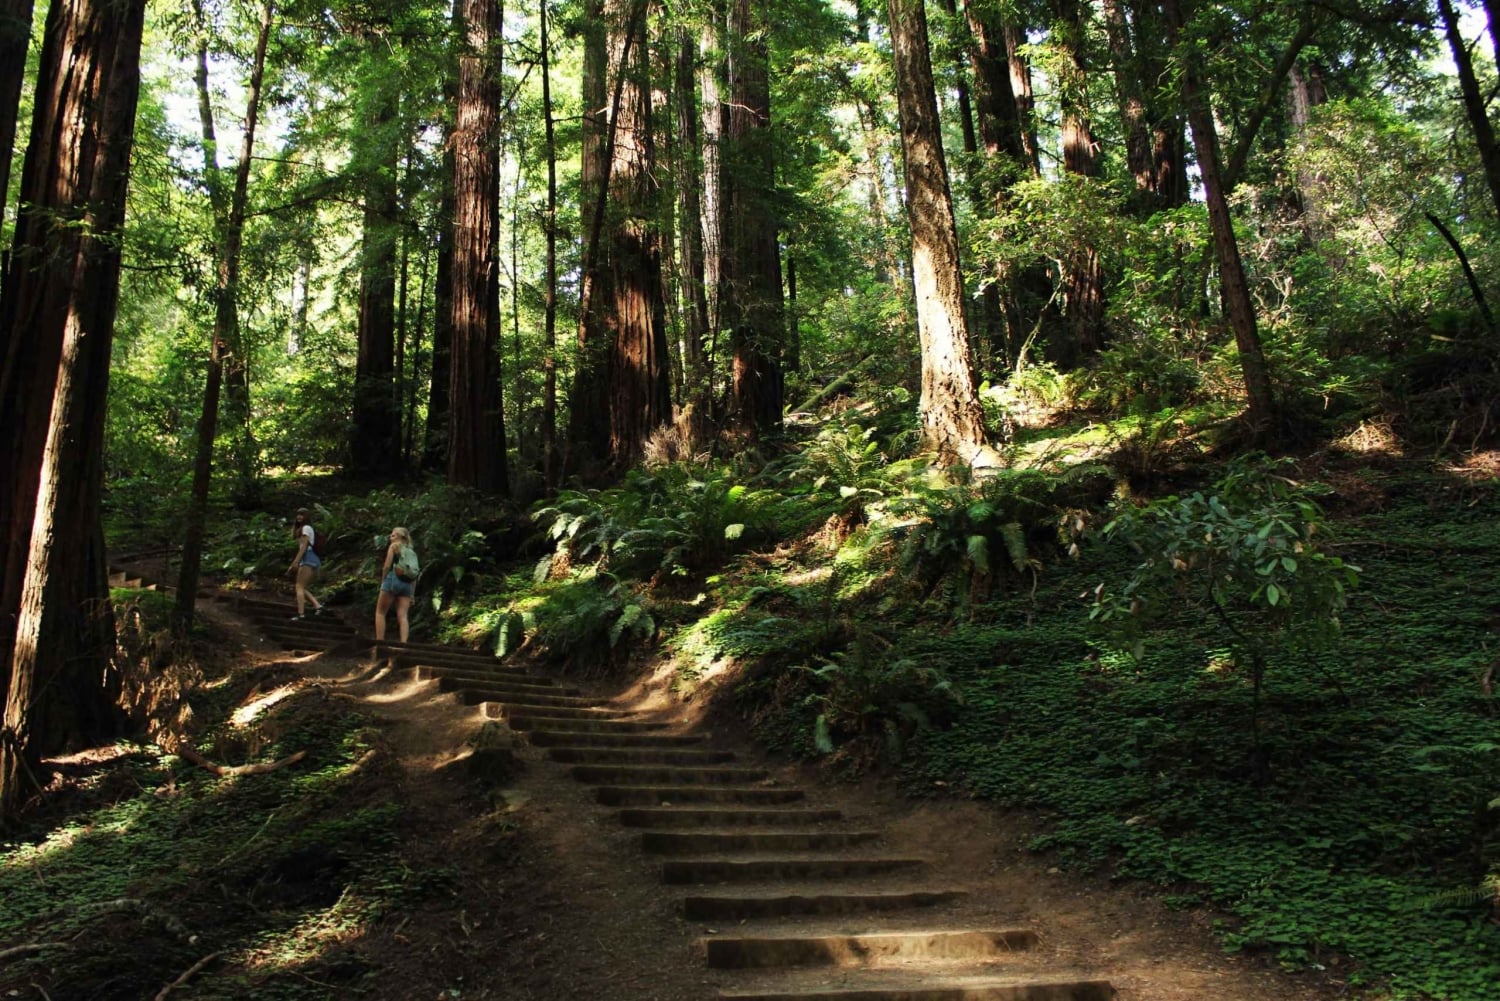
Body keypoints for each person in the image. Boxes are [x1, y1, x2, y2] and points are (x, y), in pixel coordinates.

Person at [375, 526, 418, 643]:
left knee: (380, 612)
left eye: (393, 535)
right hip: (407, 585)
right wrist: (412, 594)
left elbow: (387, 566)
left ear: (400, 537)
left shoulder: (394, 547)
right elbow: (414, 575)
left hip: (392, 581)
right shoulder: (412, 552)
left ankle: (380, 641)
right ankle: (403, 642)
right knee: (403, 616)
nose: (390, 537)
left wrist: (383, 580)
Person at [288, 508, 324, 620]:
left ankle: (301, 614)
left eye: (302, 515)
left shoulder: (306, 528)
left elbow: (304, 547)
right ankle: (318, 606)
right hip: (312, 559)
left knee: (299, 586)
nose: (299, 517)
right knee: (302, 586)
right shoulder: (306, 528)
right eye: (298, 514)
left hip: (308, 557)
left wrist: (295, 562)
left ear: (306, 517)